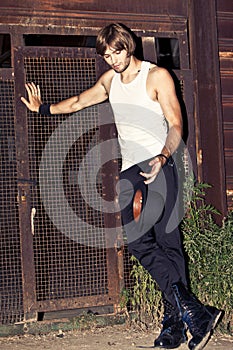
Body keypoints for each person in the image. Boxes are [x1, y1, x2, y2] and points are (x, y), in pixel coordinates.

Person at [21, 23, 222, 350]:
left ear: (129, 46)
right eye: (106, 54)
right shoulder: (110, 81)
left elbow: (175, 124)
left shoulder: (156, 76)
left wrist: (162, 156)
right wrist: (42, 108)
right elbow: (77, 102)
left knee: (169, 246)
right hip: (132, 170)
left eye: (117, 51)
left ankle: (175, 325)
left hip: (162, 165)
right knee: (139, 242)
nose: (113, 59)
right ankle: (194, 313)